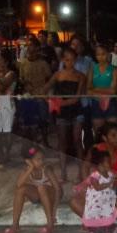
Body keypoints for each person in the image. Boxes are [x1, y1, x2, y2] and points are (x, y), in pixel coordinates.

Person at [71, 123, 117, 220]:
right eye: (113, 135)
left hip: (116, 186)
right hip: (97, 186)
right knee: (74, 202)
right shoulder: (96, 149)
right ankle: (96, 223)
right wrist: (87, 184)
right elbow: (85, 167)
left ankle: (100, 223)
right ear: (105, 138)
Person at [43, 47, 86, 183]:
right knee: (62, 142)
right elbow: (44, 90)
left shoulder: (80, 76)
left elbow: (77, 98)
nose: (70, 62)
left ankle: (80, 173)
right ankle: (63, 173)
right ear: (62, 60)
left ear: (76, 60)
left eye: (72, 59)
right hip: (62, 112)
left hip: (76, 111)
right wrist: (50, 101)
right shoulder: (57, 75)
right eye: (67, 59)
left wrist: (58, 103)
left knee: (77, 140)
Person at [5, 147, 61, 233]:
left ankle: (50, 224)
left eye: (42, 159)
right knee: (20, 189)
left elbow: (58, 190)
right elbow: (18, 184)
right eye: (38, 159)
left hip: (51, 196)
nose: (41, 161)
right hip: (39, 196)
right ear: (29, 161)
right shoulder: (28, 169)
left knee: (41, 187)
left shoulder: (46, 169)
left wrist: (54, 211)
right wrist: (30, 168)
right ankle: (15, 225)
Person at [18, 38, 52, 147]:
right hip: (28, 96)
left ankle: (45, 142)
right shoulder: (23, 63)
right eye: (28, 45)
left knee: (43, 121)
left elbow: (49, 79)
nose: (29, 48)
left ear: (37, 48)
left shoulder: (43, 63)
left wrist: (44, 90)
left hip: (41, 95)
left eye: (31, 45)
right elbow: (21, 78)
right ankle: (30, 145)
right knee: (28, 122)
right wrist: (25, 84)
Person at [82, 149, 117, 233]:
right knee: (94, 214)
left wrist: (114, 183)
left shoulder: (110, 175)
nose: (110, 164)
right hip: (95, 201)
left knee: (106, 213)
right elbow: (97, 187)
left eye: (110, 161)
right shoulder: (95, 175)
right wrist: (109, 183)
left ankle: (107, 230)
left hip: (107, 200)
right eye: (107, 162)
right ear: (100, 164)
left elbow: (113, 187)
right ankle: (92, 230)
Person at [0, 50, 17, 164]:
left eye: (0, 59)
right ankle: (1, 153)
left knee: (7, 131)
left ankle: (7, 154)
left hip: (7, 105)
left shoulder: (11, 74)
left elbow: (1, 88)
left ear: (6, 61)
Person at [87, 44, 117, 132]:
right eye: (98, 54)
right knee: (98, 132)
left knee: (113, 131)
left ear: (108, 54)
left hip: (111, 103)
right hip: (96, 103)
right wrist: (105, 90)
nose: (101, 57)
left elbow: (113, 90)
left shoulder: (114, 69)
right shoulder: (92, 69)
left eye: (103, 54)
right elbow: (88, 89)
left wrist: (95, 89)